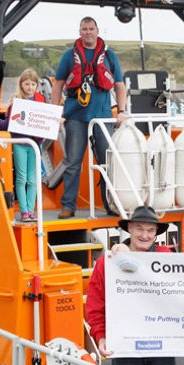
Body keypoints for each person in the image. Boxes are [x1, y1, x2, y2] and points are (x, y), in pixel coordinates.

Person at [85, 206, 178, 365]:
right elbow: (95, 304)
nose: (145, 235)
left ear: (156, 233)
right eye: (139, 229)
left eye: (150, 230)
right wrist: (100, 336)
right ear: (129, 229)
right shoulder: (108, 261)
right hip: (125, 347)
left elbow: (183, 294)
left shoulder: (168, 258)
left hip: (161, 346)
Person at [52, 16, 128, 219]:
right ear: (80, 31)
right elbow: (58, 84)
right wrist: (54, 111)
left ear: (97, 30)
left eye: (91, 28)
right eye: (84, 29)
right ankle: (68, 206)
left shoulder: (110, 56)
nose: (88, 32)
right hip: (75, 117)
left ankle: (110, 204)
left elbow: (120, 86)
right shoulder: (69, 56)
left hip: (103, 117)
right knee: (72, 162)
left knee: (107, 163)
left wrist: (121, 110)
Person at [0, 68, 45, 223]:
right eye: (27, 84)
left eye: (33, 84)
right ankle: (24, 211)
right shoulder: (16, 101)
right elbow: (8, 123)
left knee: (33, 179)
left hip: (36, 143)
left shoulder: (41, 100)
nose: (30, 87)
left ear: (37, 85)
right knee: (21, 177)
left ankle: (31, 210)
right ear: (21, 85)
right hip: (20, 143)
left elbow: (46, 119)